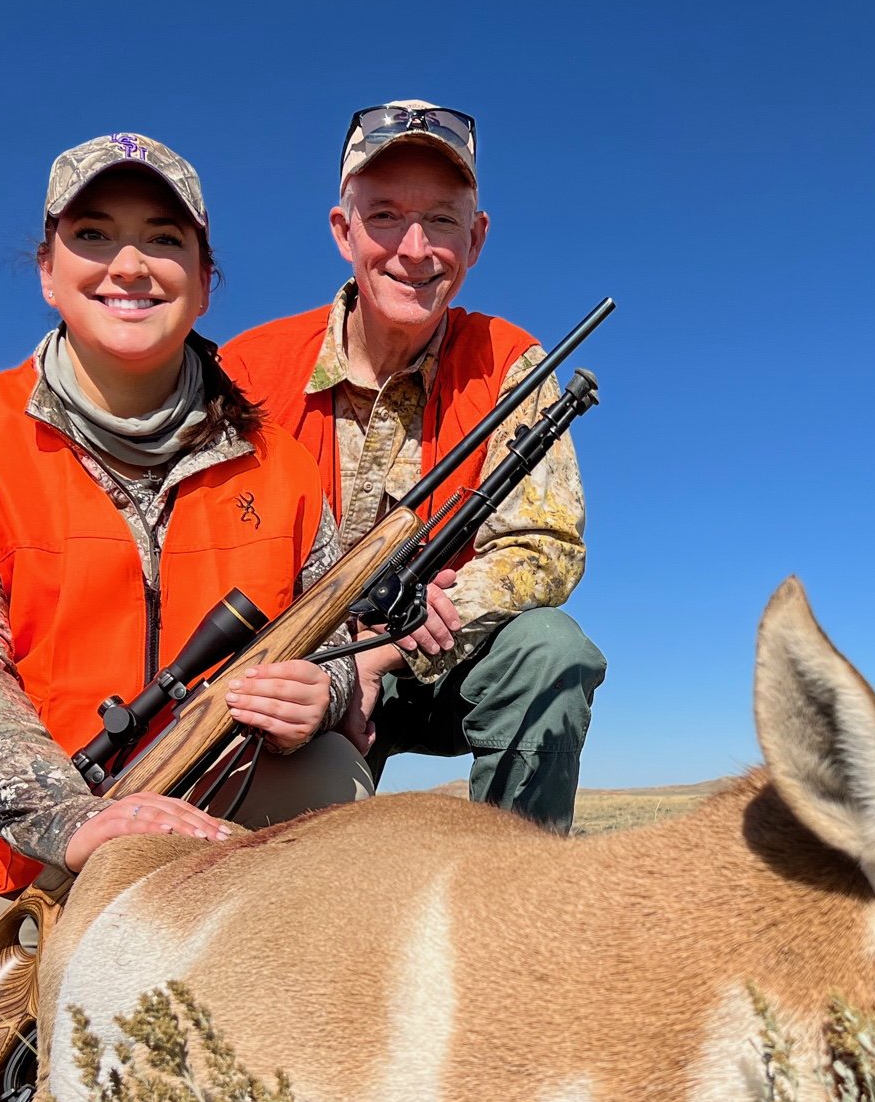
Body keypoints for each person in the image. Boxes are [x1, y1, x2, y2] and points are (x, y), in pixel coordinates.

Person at [0, 133, 398, 1098]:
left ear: (206, 282)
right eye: (94, 235)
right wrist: (71, 819)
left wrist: (325, 689)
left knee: (330, 774)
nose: (128, 264)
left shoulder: (284, 469)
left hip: (181, 812)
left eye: (162, 239)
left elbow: (338, 638)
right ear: (48, 272)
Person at [220, 101, 605, 833]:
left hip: (429, 662)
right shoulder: (248, 371)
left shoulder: (513, 365)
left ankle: (508, 910)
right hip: (293, 670)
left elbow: (545, 546)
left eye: (443, 220)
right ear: (343, 230)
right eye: (386, 216)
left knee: (552, 653)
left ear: (477, 238)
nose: (416, 248)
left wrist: (386, 653)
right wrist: (328, 673)